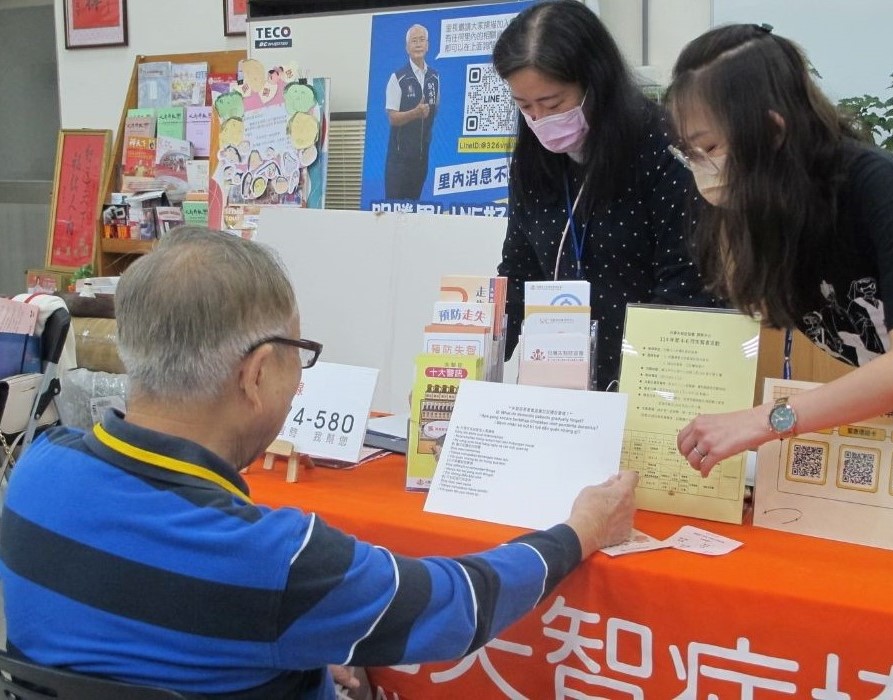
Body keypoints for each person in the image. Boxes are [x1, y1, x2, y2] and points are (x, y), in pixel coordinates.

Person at [0, 226, 639, 700]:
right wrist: (579, 531)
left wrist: (287, 655)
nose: (299, 384)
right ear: (255, 374)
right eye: (296, 356)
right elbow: (461, 606)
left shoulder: (33, 475)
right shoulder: (278, 560)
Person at [667, 24, 893, 475]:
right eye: (690, 152)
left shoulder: (878, 186)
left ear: (772, 131)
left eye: (710, 146)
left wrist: (767, 420)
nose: (702, 167)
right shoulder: (761, 209)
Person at [492, 0, 716, 392]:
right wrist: (472, 362)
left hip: (657, 383)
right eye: (524, 106)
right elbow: (519, 272)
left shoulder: (663, 149)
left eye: (553, 103)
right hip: (560, 382)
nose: (540, 121)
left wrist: (636, 394)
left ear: (595, 82)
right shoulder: (532, 161)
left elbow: (686, 288)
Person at [384, 23, 440, 200]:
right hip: (399, 161)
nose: (418, 44)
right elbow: (392, 117)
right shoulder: (398, 78)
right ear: (407, 47)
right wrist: (415, 113)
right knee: (394, 211)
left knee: (414, 209)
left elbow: (435, 108)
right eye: (414, 41)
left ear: (428, 45)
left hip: (421, 159)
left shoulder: (434, 77)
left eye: (421, 40)